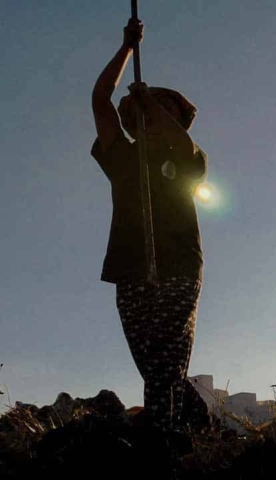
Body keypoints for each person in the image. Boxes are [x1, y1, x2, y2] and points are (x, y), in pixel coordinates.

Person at [90, 18, 210, 431]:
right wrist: (125, 48)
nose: (149, 111)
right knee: (154, 363)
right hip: (129, 268)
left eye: (163, 106)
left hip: (177, 266)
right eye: (143, 107)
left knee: (164, 359)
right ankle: (196, 419)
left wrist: (151, 106)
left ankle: (162, 445)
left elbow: (179, 139)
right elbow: (100, 100)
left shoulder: (187, 157)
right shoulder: (121, 157)